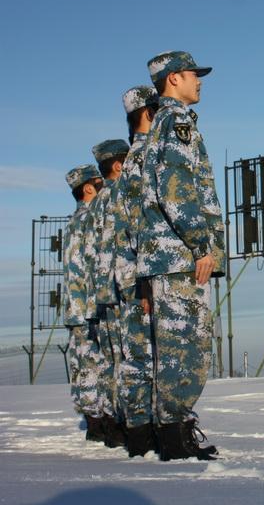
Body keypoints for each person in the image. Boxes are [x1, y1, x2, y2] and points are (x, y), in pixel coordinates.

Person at [139, 51, 224, 460]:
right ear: (174, 78)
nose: (200, 81)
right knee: (184, 348)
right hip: (179, 257)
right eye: (194, 74)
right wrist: (202, 245)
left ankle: (173, 432)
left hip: (169, 255)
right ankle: (175, 436)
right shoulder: (176, 122)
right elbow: (176, 190)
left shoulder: (167, 123)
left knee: (178, 346)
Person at [101, 86, 159, 457]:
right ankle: (140, 432)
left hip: (130, 274)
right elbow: (140, 226)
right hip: (136, 275)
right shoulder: (139, 161)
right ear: (147, 114)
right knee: (140, 355)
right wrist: (145, 281)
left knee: (137, 355)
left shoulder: (134, 163)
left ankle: (139, 428)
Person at [63, 163, 111, 442]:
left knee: (84, 368)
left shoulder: (74, 221)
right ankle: (101, 425)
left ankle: (95, 424)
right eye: (99, 183)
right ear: (89, 188)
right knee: (96, 367)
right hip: (90, 309)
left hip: (77, 309)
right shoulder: (91, 220)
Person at [90, 138, 131, 448]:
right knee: (128, 358)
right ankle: (125, 423)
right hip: (122, 286)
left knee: (110, 360)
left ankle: (108, 422)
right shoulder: (120, 194)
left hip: (104, 289)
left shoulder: (97, 202)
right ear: (119, 165)